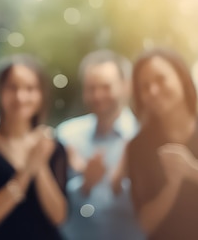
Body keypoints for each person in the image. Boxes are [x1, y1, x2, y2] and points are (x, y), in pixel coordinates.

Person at [126, 48, 198, 240]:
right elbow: (145, 222)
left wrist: (193, 170)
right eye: (145, 86)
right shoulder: (138, 147)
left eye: (160, 79)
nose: (153, 91)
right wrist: (171, 185)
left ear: (181, 77)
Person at [0, 54, 68, 240]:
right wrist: (29, 169)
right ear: (0, 92)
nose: (20, 96)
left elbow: (59, 216)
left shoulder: (53, 146)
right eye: (12, 87)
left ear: (41, 94)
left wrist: (41, 166)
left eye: (30, 88)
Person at [55, 50, 143, 240]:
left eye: (105, 87)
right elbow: (53, 206)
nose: (98, 95)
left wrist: (117, 184)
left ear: (125, 86)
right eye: (91, 88)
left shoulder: (141, 137)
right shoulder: (67, 135)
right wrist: (84, 185)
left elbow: (151, 208)